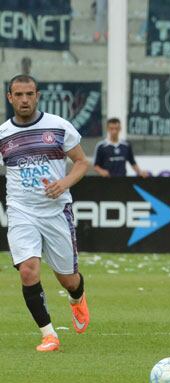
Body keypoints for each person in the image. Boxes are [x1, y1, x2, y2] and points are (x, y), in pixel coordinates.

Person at [0, 75, 91, 352]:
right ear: (10, 97)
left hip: (55, 211)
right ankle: (49, 334)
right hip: (20, 210)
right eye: (19, 94)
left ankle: (77, 298)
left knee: (68, 279)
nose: (25, 99)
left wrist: (63, 183)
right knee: (28, 271)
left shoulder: (59, 127)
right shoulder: (3, 134)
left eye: (29, 94)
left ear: (37, 95)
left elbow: (81, 162)